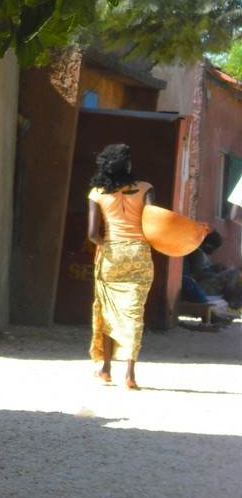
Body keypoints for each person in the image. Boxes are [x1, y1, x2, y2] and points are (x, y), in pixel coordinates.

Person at [87, 144, 155, 390]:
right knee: (134, 313)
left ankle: (106, 369)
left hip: (111, 255)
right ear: (127, 165)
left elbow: (92, 234)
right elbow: (156, 224)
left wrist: (106, 244)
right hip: (139, 254)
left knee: (107, 311)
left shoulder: (97, 193)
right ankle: (130, 374)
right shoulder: (145, 189)